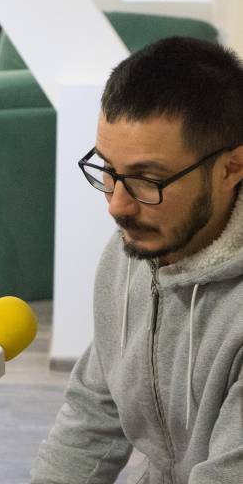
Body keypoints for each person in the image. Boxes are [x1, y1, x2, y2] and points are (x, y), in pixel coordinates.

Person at [31, 37, 243, 483]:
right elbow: (93, 413)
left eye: (148, 180)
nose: (117, 206)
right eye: (107, 170)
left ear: (231, 167)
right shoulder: (135, 249)